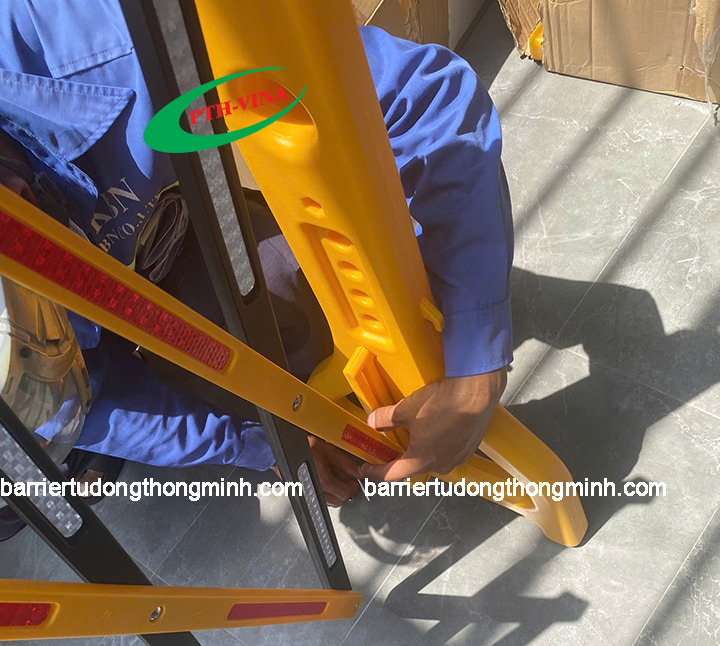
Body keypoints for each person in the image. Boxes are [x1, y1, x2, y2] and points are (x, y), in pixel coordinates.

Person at [0, 0, 513, 507]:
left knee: (362, 297)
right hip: (145, 283)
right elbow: (88, 399)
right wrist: (272, 441)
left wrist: (475, 366)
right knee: (231, 374)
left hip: (192, 217)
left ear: (22, 201)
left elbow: (427, 102)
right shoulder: (22, 342)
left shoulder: (123, 39)